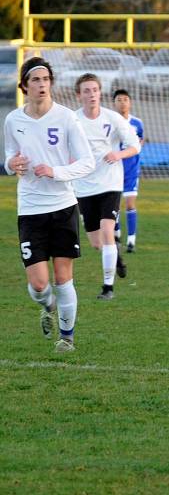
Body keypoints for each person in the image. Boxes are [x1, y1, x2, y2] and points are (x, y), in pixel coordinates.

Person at [5, 57, 96, 352]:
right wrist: (11, 164)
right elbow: (9, 158)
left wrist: (55, 172)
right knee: (39, 285)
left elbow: (88, 162)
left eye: (46, 79)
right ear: (24, 86)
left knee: (63, 277)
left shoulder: (66, 118)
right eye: (36, 80)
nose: (42, 84)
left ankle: (66, 338)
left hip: (63, 206)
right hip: (30, 209)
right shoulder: (13, 120)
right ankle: (48, 306)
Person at [73, 74, 141, 300]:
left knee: (107, 230)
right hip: (84, 186)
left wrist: (118, 154)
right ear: (79, 95)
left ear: (100, 93)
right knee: (96, 243)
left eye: (95, 90)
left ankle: (107, 288)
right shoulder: (73, 120)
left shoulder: (113, 118)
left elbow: (135, 146)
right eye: (86, 90)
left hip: (110, 183)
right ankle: (116, 257)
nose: (92, 94)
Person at [112, 89, 144, 253]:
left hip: (131, 170)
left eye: (125, 99)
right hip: (114, 170)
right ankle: (116, 236)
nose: (122, 103)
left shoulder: (137, 123)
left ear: (130, 103)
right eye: (119, 100)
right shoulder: (110, 122)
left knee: (130, 204)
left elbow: (140, 142)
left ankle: (131, 241)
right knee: (114, 205)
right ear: (114, 103)